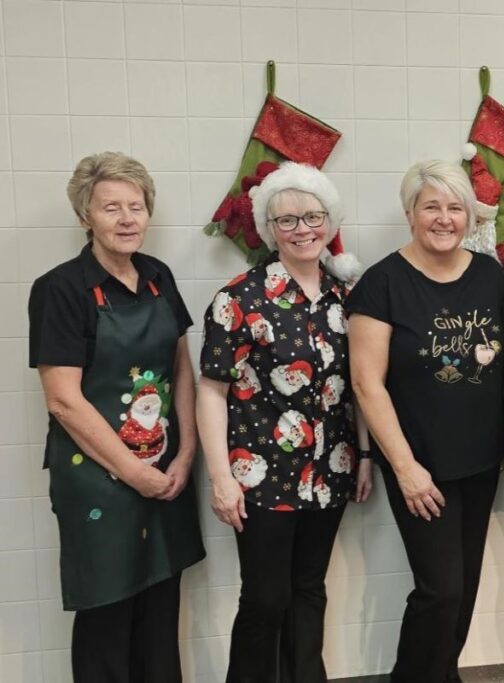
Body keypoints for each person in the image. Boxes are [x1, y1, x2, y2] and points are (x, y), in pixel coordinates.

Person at [28, 152, 206, 682]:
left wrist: (186, 453)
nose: (128, 219)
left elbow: (181, 366)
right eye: (112, 208)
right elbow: (62, 400)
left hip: (165, 468)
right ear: (85, 216)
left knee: (161, 608)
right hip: (97, 477)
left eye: (136, 206)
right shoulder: (60, 289)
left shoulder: (157, 276)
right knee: (107, 610)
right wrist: (133, 472)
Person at [196, 162, 373, 682]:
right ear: (269, 230)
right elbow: (211, 390)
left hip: (331, 470)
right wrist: (221, 477)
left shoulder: (346, 298)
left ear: (330, 222)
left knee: (309, 591)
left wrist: (364, 455)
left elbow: (358, 386)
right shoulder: (239, 298)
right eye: (287, 220)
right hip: (260, 476)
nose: (302, 229)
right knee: (266, 599)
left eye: (313, 217)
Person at [347, 159, 504, 683]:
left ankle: (442, 673)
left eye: (455, 207)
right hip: (419, 465)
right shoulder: (382, 283)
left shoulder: (489, 275)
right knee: (440, 590)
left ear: (469, 217)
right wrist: (405, 468)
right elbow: (367, 384)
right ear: (410, 213)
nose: (444, 218)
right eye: (431, 207)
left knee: (464, 587)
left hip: (481, 460)